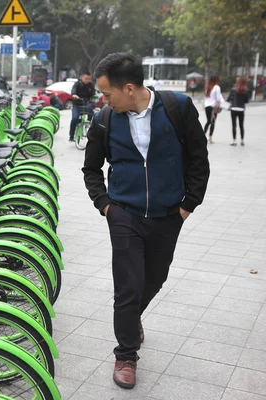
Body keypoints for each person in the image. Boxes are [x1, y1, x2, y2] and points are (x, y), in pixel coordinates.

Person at [82, 52, 210, 390]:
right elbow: (91, 170)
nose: (103, 100)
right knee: (127, 287)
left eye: (107, 93)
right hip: (124, 214)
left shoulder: (177, 108)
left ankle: (132, 319)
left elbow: (199, 159)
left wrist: (187, 206)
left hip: (169, 215)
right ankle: (126, 354)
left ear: (128, 88)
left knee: (154, 278)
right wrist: (106, 206)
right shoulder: (104, 120)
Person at [69, 71, 95, 142]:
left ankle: (88, 123)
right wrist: (74, 95)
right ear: (82, 78)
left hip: (86, 103)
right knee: (74, 118)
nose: (87, 80)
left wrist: (94, 99)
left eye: (89, 79)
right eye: (86, 78)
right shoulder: (77, 84)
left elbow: (94, 95)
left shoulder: (91, 85)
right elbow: (73, 91)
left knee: (91, 111)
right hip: (77, 103)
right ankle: (71, 136)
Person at [226, 77, 251, 146]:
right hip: (241, 109)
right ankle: (242, 140)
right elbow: (247, 101)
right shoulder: (246, 91)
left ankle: (234, 141)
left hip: (233, 109)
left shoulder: (233, 90)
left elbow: (228, 99)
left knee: (234, 125)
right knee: (241, 125)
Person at [203, 75, 225, 143]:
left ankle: (203, 135)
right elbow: (218, 98)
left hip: (207, 106)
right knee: (212, 122)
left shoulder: (208, 87)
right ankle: (210, 137)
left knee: (208, 121)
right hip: (213, 107)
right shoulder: (217, 87)